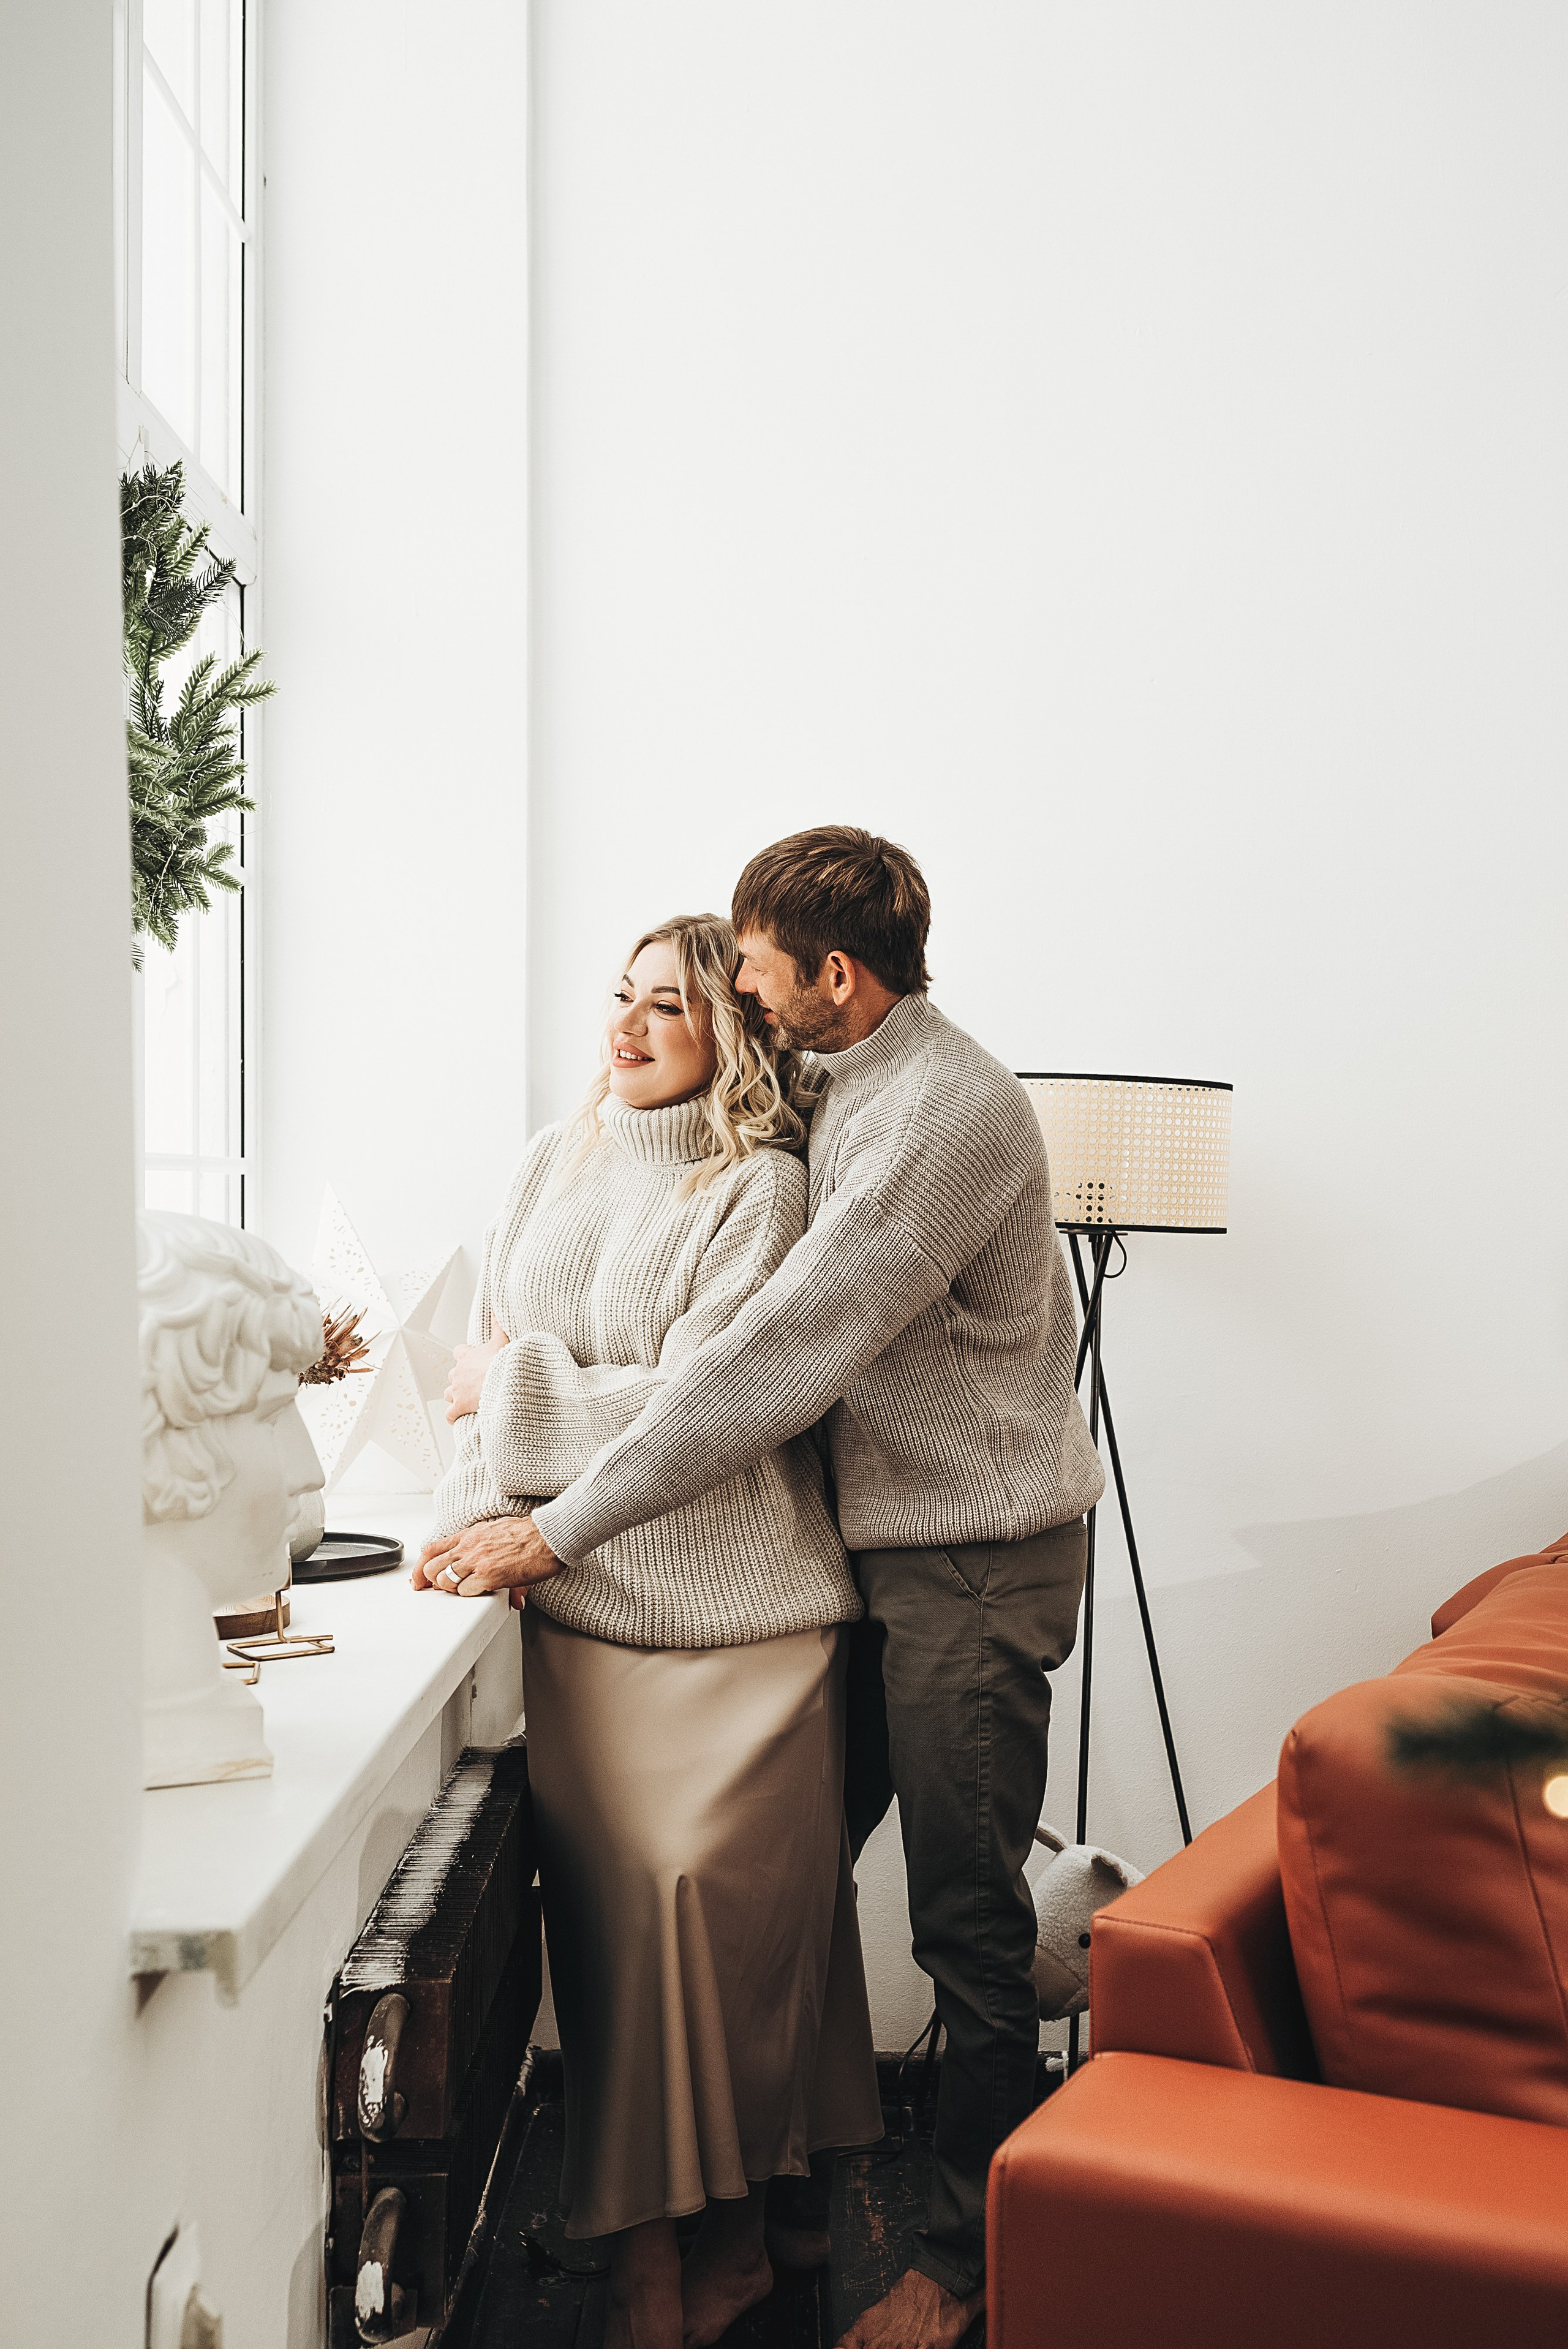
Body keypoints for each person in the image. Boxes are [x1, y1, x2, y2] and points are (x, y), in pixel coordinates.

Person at [419, 828, 1106, 2349]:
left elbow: (763, 1365)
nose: (732, 987)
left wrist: (556, 1527)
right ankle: (782, 2210)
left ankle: (955, 2264)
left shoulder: (939, 1116)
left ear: (832, 979)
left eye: (748, 967)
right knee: (781, 1898)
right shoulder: (837, 1074)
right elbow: (671, 1130)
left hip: (967, 1560)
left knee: (965, 1921)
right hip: (874, 1556)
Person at [416, 913, 883, 2349]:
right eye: (617, 999)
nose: (621, 1030)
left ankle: (742, 2228)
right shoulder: (550, 1161)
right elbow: (472, 1379)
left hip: (748, 1616)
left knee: (726, 1912)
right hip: (585, 1612)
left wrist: (514, 1392)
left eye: (664, 1010)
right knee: (627, 1928)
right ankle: (662, 2254)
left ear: (727, 1035)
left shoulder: (764, 1195)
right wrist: (470, 1490)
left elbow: (710, 1404)